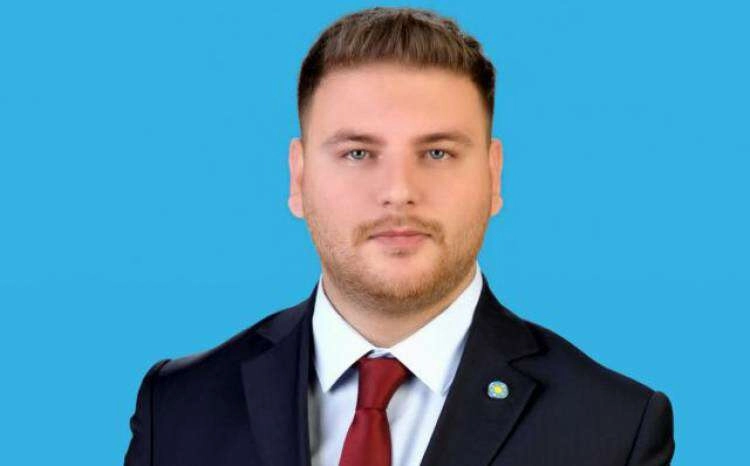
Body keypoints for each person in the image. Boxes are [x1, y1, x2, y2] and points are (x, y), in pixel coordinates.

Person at [124, 6, 675, 466]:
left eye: (437, 152)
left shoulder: (613, 429)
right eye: (357, 153)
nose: (398, 191)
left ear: (493, 176)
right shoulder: (176, 406)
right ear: (298, 178)